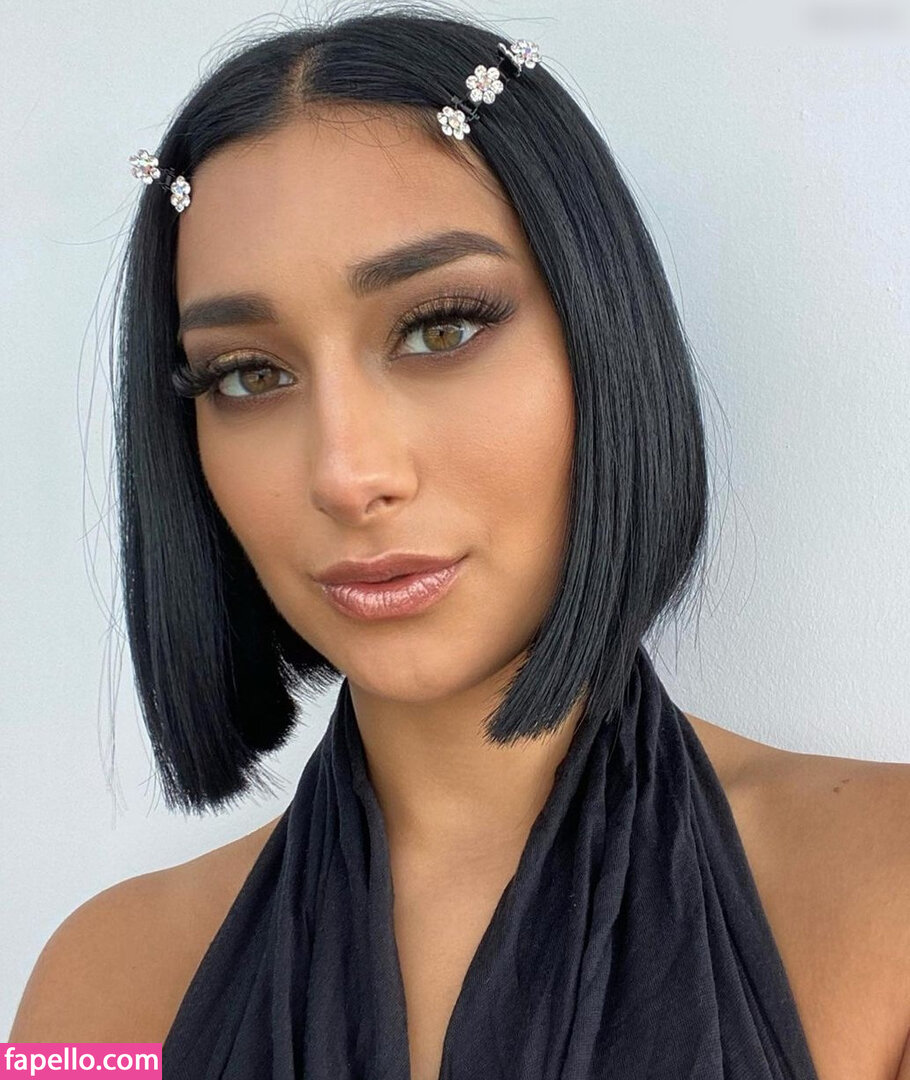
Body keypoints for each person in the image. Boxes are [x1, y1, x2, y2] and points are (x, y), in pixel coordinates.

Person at [9, 6, 910, 1078]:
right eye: (248, 375)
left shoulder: (889, 894)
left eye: (442, 328)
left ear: (602, 340)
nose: (346, 474)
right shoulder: (94, 990)